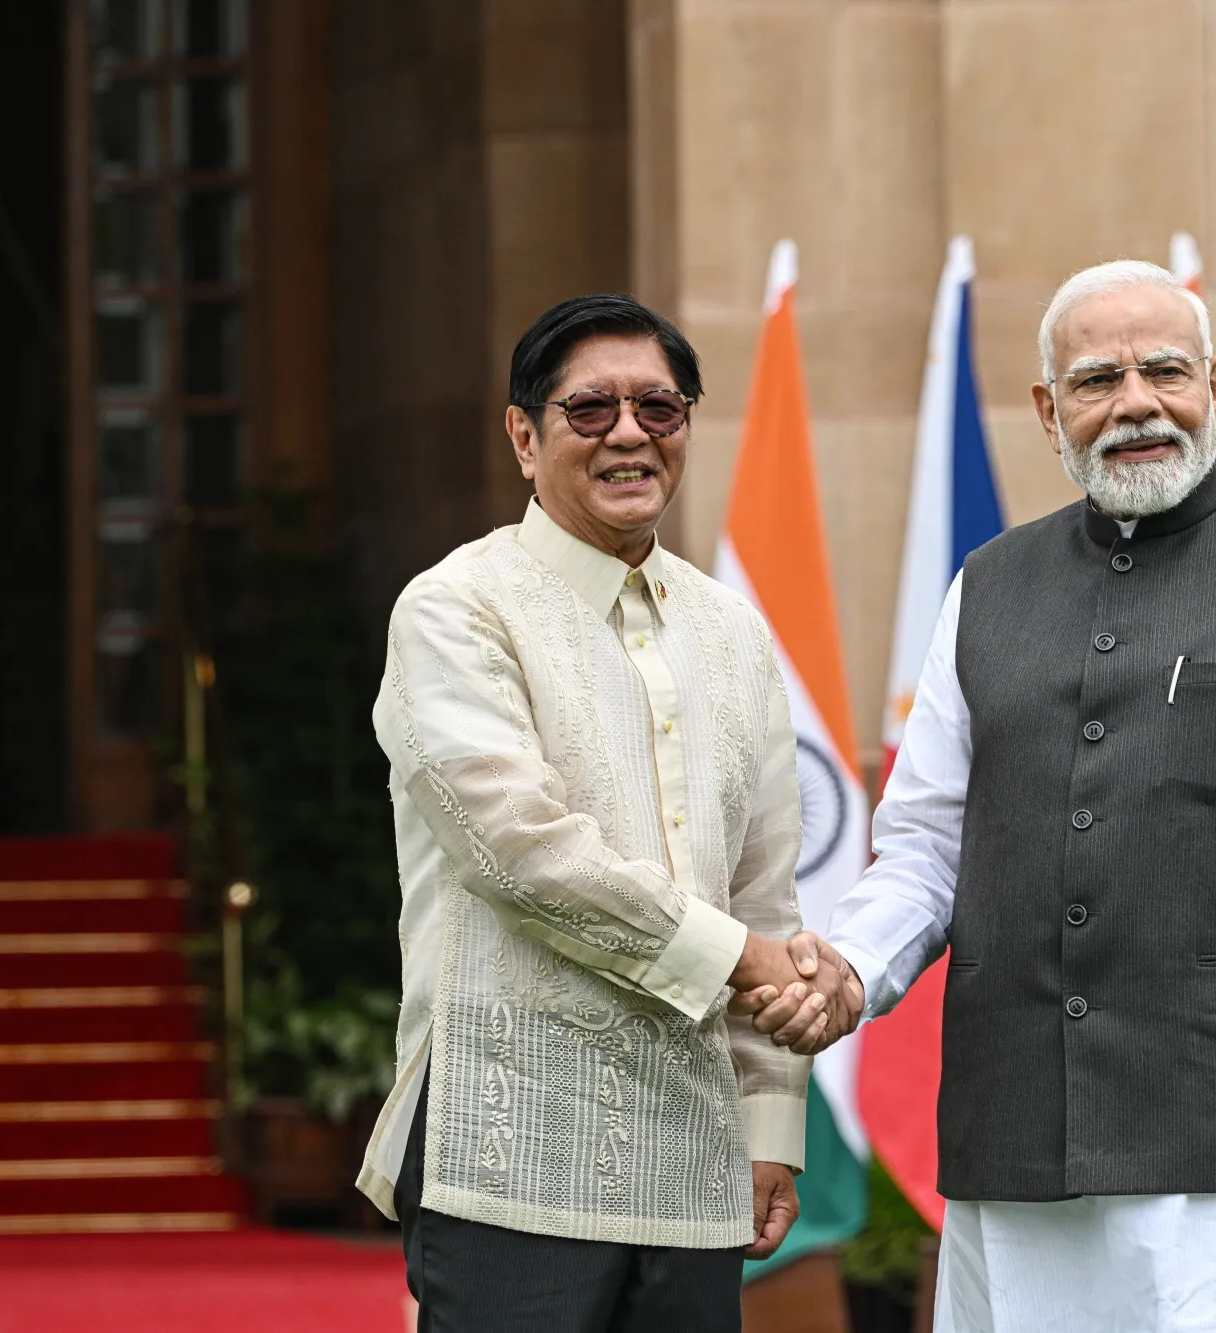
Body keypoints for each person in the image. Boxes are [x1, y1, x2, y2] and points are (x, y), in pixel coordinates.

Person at [755, 260, 1216, 1329]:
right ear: (1049, 412)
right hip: (1018, 1155)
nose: (1135, 402)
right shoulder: (983, 590)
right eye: (1096, 380)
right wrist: (851, 969)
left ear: (1213, 382)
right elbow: (926, 848)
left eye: (1164, 370)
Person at [355, 293, 862, 1332]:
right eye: (589, 410)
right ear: (522, 434)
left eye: (659, 408)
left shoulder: (731, 633)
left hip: (694, 1162)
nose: (628, 433)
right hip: (510, 1152)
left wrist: (770, 1120)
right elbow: (521, 853)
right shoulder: (455, 609)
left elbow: (764, 887)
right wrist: (747, 963)